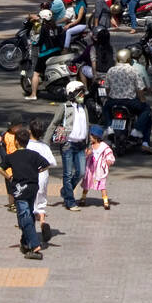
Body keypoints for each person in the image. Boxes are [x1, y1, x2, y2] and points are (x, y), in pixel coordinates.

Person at [0, 124, 49, 259]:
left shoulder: (11, 156)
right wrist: (36, 171)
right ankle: (25, 241)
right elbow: (46, 164)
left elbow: (0, 169)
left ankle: (34, 244)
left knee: (24, 215)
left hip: (19, 189)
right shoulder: (34, 155)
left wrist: (9, 177)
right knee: (28, 213)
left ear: (16, 141)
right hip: (32, 188)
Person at [45, 80, 89, 211]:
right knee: (68, 174)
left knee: (81, 172)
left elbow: (87, 126)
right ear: (72, 94)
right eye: (80, 93)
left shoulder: (84, 107)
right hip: (68, 145)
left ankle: (65, 191)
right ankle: (70, 201)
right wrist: (45, 143)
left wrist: (89, 144)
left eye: (83, 93)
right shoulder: (64, 107)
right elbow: (54, 123)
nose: (82, 96)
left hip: (81, 145)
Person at [103, 48, 152, 152]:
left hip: (113, 102)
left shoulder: (111, 70)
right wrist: (143, 100)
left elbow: (107, 88)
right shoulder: (133, 70)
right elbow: (140, 89)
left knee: (105, 108)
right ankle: (138, 132)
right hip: (130, 102)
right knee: (147, 110)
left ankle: (109, 128)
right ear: (129, 59)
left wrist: (110, 98)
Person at [28, 117, 57, 244]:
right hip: (43, 178)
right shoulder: (44, 146)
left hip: (31, 177)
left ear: (30, 131)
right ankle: (43, 222)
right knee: (41, 202)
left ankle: (31, 230)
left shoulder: (27, 145)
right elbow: (52, 162)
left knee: (30, 204)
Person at [29, 9, 65, 100]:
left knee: (36, 73)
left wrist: (34, 43)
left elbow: (40, 41)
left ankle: (33, 94)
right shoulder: (55, 26)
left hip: (46, 53)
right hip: (57, 51)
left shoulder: (44, 27)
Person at [81, 124, 115, 209]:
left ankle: (106, 202)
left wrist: (109, 160)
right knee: (87, 184)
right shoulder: (90, 146)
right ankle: (83, 198)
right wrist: (86, 154)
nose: (90, 137)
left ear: (97, 136)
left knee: (102, 185)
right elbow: (84, 154)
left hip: (99, 170)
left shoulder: (104, 146)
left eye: (92, 135)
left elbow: (109, 154)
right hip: (90, 169)